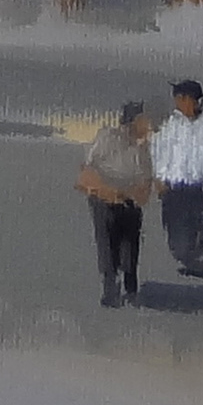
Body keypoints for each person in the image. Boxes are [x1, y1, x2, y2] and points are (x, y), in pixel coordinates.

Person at [75, 94, 151, 309]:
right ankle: (110, 290)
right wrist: (106, 190)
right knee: (108, 244)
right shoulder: (108, 137)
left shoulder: (144, 148)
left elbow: (146, 178)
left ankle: (130, 288)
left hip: (129, 201)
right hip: (103, 199)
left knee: (130, 245)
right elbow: (89, 167)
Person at [149, 78, 203, 280]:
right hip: (173, 189)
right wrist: (157, 178)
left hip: (196, 189)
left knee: (196, 232)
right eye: (180, 98)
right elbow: (156, 153)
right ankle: (184, 259)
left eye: (191, 99)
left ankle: (194, 261)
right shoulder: (167, 126)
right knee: (177, 238)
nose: (183, 102)